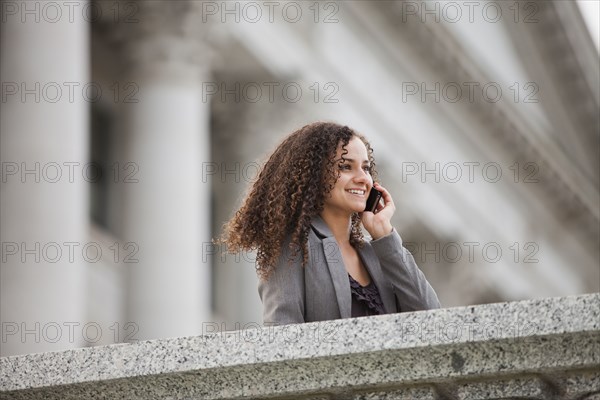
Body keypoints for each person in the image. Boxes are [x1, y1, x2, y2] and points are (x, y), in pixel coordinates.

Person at [218, 121, 440, 325]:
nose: (363, 178)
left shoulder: (379, 254)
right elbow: (281, 335)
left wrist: (384, 234)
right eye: (345, 166)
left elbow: (430, 317)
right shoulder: (294, 246)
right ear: (314, 175)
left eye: (366, 167)